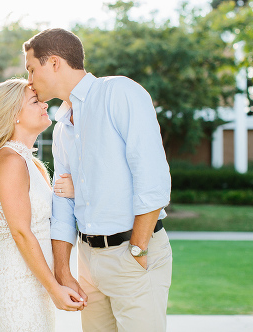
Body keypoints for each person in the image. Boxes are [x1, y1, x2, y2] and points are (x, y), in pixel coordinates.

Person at [25, 28, 173, 331]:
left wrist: (138, 249)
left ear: (54, 63)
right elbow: (63, 201)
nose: (29, 79)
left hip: (132, 253)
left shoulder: (119, 92)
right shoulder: (61, 126)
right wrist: (64, 270)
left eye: (31, 68)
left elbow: (152, 178)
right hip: (88, 260)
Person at [0, 78, 86, 331]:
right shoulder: (10, 161)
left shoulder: (29, 162)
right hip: (17, 289)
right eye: (35, 101)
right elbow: (21, 232)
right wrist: (55, 289)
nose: (44, 104)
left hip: (36, 287)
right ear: (13, 115)